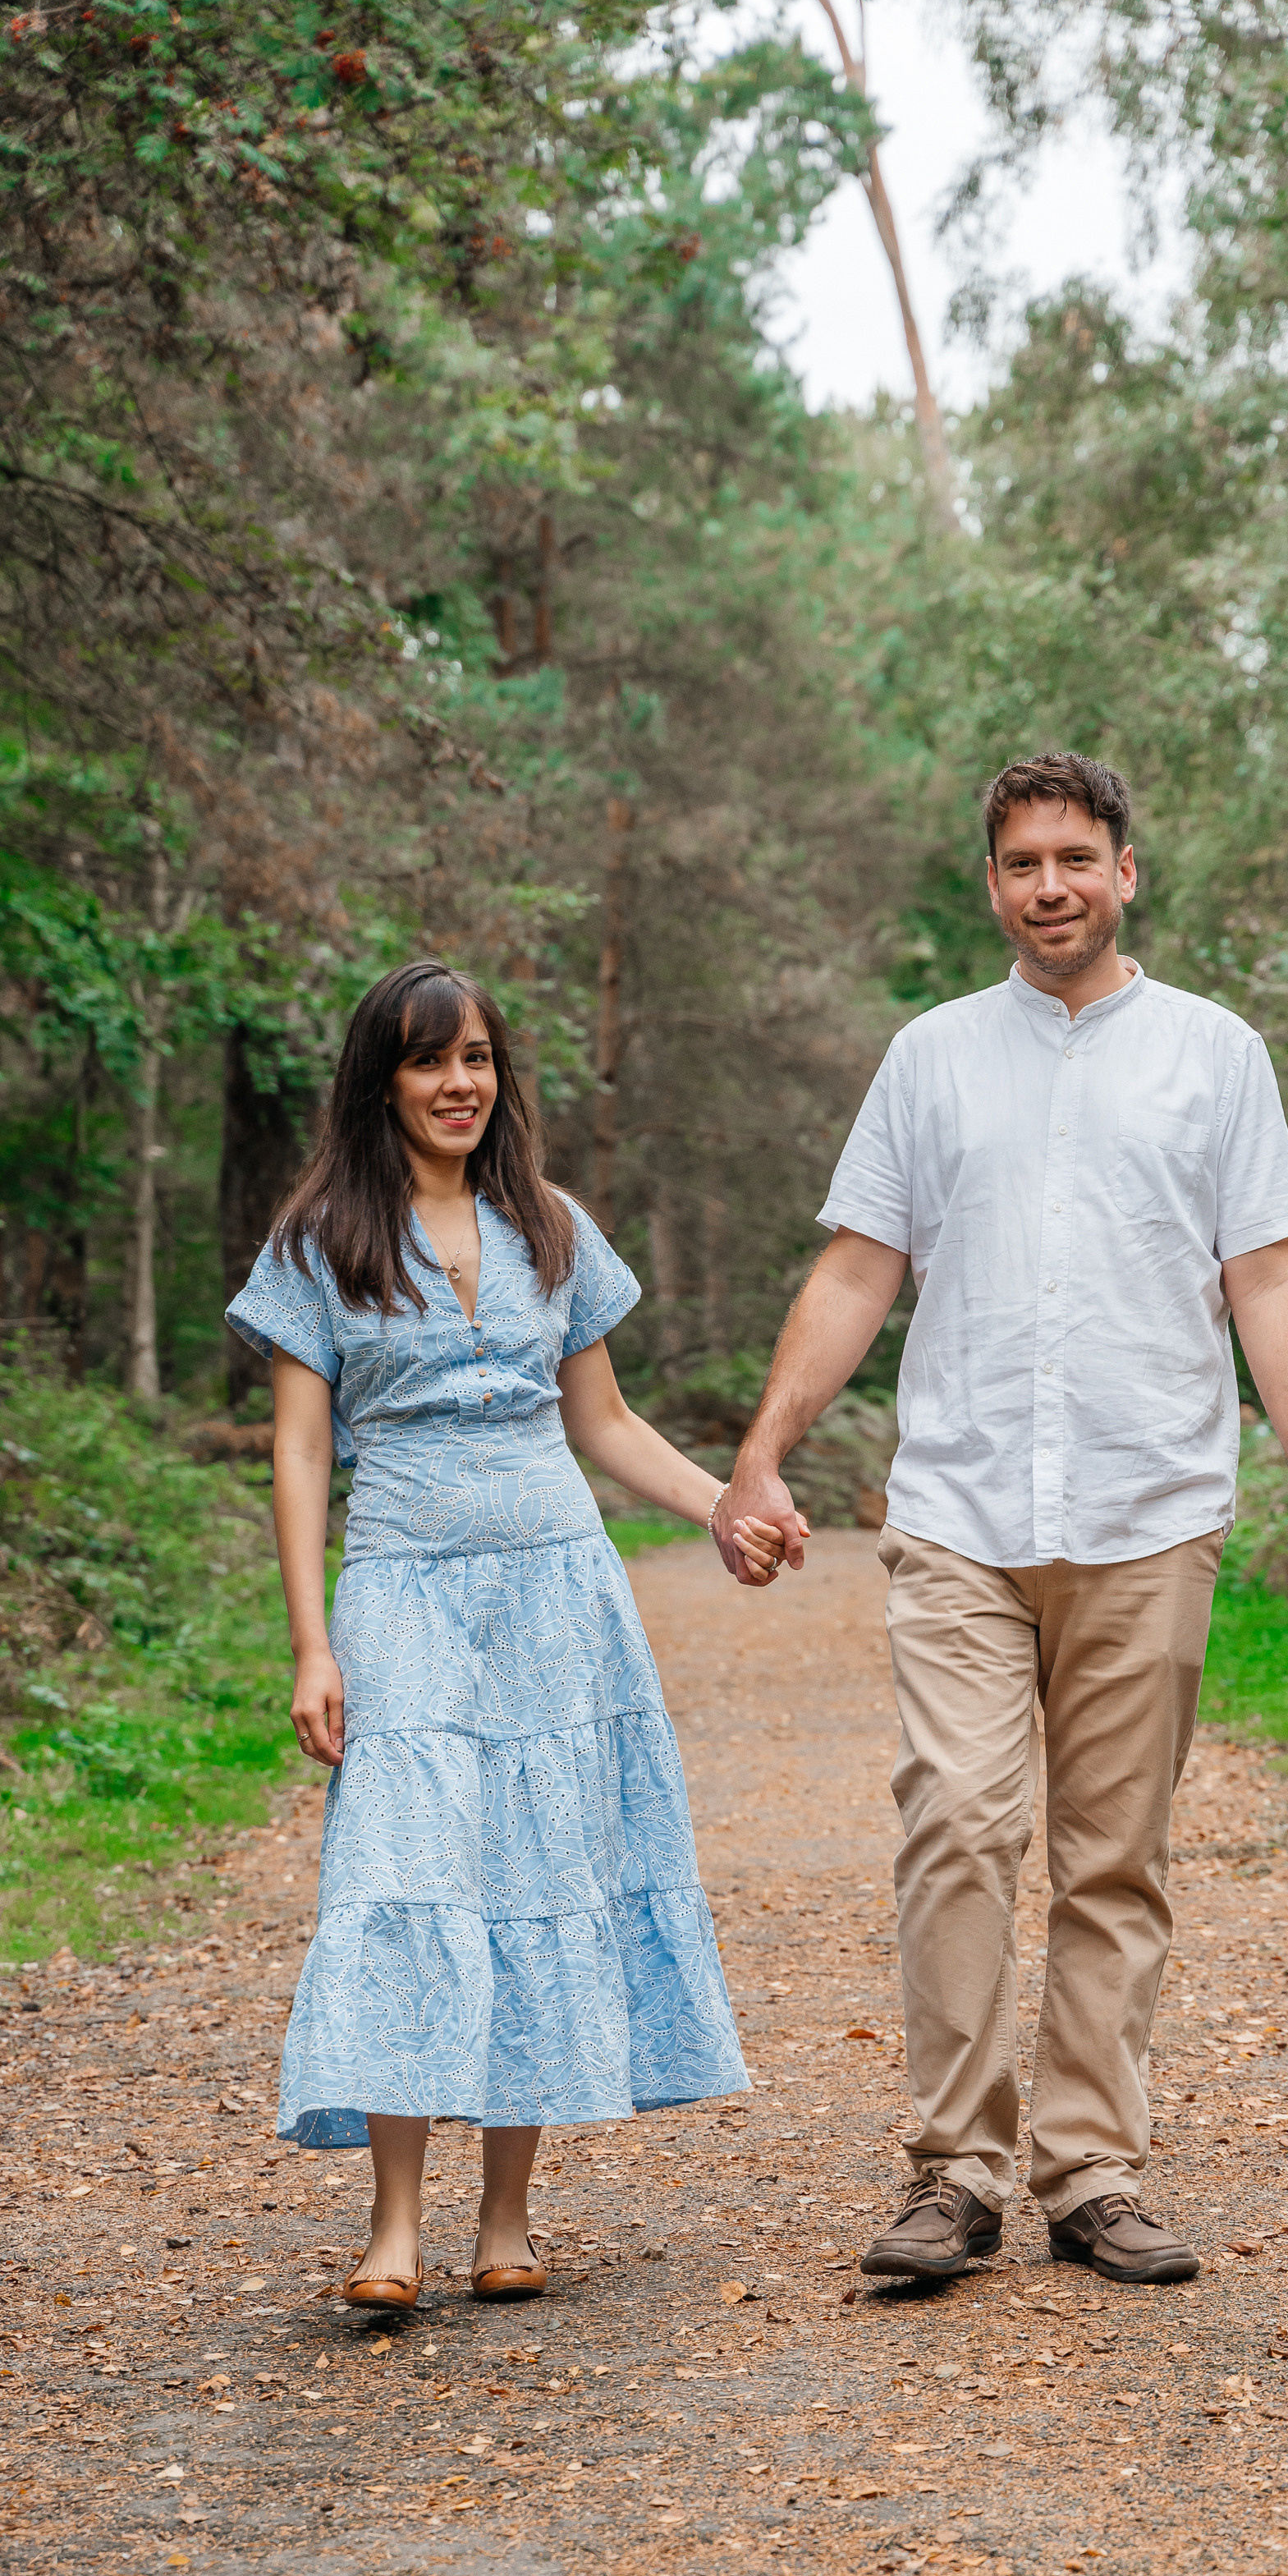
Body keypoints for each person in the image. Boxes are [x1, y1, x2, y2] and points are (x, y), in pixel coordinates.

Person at [713, 752, 1288, 2289]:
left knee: (1114, 1859)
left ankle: (1092, 2172)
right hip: (960, 1509)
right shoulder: (932, 1059)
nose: (1050, 885)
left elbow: (1266, 1274)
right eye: (1021, 864)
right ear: (992, 884)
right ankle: (954, 2172)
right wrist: (760, 1455)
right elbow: (860, 1268)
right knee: (954, 1824)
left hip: (1151, 1509)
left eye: (1076, 857)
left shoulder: (1217, 1055)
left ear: (1126, 871)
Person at [227, 957, 785, 2311]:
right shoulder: (318, 1244)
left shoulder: (551, 1226)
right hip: (406, 1587)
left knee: (538, 1873)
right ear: (383, 1081)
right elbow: (301, 1459)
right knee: (410, 1880)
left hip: (555, 1586)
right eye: (429, 1061)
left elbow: (600, 1423)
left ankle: (509, 2219)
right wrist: (312, 1644)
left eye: (476, 1059)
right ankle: (393, 2227)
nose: (457, 1084)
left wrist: (721, 1506)